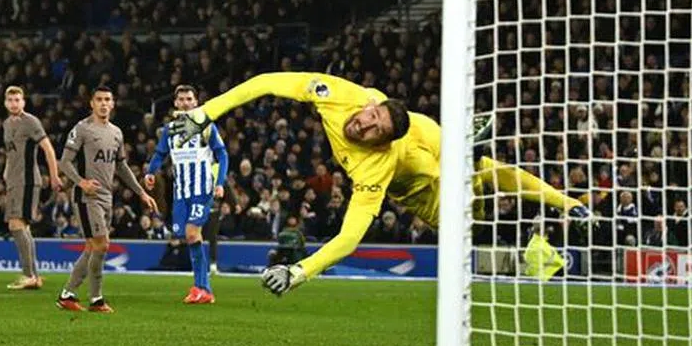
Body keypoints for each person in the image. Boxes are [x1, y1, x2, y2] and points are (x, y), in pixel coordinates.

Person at [168, 72, 587, 297]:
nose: (363, 126)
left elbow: (350, 237)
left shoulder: (378, 164)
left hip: (429, 165)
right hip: (426, 182)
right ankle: (537, 231)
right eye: (371, 116)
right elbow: (265, 83)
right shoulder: (339, 95)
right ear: (371, 104)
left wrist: (299, 271)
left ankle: (564, 208)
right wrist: (206, 113)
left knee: (483, 174)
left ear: (385, 140)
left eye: (374, 131)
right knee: (476, 221)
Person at [55, 86, 157, 313]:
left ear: (113, 104)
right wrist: (81, 182)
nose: (103, 103)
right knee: (102, 245)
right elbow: (65, 162)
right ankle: (96, 300)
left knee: (93, 247)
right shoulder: (82, 129)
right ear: (91, 103)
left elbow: (121, 166)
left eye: (107, 100)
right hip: (86, 196)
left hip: (107, 196)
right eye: (99, 99)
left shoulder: (116, 133)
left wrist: (141, 192)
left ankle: (67, 295)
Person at [144, 84, 227, 304]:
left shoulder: (206, 126)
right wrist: (151, 172)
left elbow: (222, 154)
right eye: (181, 99)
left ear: (196, 102)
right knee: (186, 237)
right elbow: (160, 153)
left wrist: (219, 183)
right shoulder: (170, 129)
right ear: (175, 103)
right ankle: (202, 288)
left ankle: (203, 288)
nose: (185, 103)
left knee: (192, 233)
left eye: (189, 99)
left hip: (202, 190)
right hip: (181, 193)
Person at [1, 86, 62, 290]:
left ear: (23, 102)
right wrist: (6, 172)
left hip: (27, 181)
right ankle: (33, 275)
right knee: (23, 227)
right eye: (10, 100)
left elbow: (48, 149)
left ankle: (29, 275)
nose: (14, 103)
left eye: (17, 100)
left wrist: (54, 176)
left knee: (16, 225)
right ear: (5, 103)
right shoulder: (7, 124)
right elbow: (11, 154)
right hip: (14, 181)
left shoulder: (31, 122)